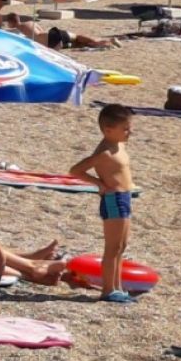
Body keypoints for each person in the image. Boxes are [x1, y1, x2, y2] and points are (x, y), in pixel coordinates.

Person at [67, 103, 137, 304]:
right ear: (108, 130)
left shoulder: (119, 145)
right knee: (112, 247)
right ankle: (108, 290)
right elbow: (75, 170)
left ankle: (118, 287)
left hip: (124, 197)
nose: (129, 132)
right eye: (125, 129)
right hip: (113, 199)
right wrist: (98, 183)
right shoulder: (104, 152)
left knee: (122, 246)